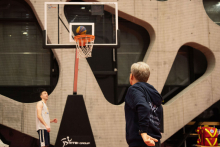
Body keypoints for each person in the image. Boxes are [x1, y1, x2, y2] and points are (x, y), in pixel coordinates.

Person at [125, 62, 163, 147]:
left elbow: (144, 107)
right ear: (148, 78)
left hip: (142, 141)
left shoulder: (134, 89)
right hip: (155, 141)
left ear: (131, 76)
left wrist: (143, 133)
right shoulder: (154, 93)